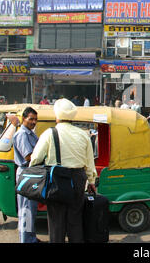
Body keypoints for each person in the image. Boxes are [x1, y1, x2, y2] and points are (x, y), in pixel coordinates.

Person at [30, 99, 97, 243]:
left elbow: (35, 158)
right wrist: (91, 182)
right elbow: (89, 163)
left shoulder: (49, 134)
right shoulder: (83, 135)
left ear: (57, 117)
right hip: (78, 179)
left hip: (56, 180)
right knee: (75, 219)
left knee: (56, 222)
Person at [13, 107, 41, 243]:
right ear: (23, 119)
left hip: (31, 174)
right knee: (26, 210)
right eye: (31, 119)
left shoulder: (30, 133)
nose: (33, 122)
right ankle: (26, 240)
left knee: (31, 209)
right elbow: (29, 156)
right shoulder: (22, 134)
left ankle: (31, 237)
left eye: (35, 119)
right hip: (26, 174)